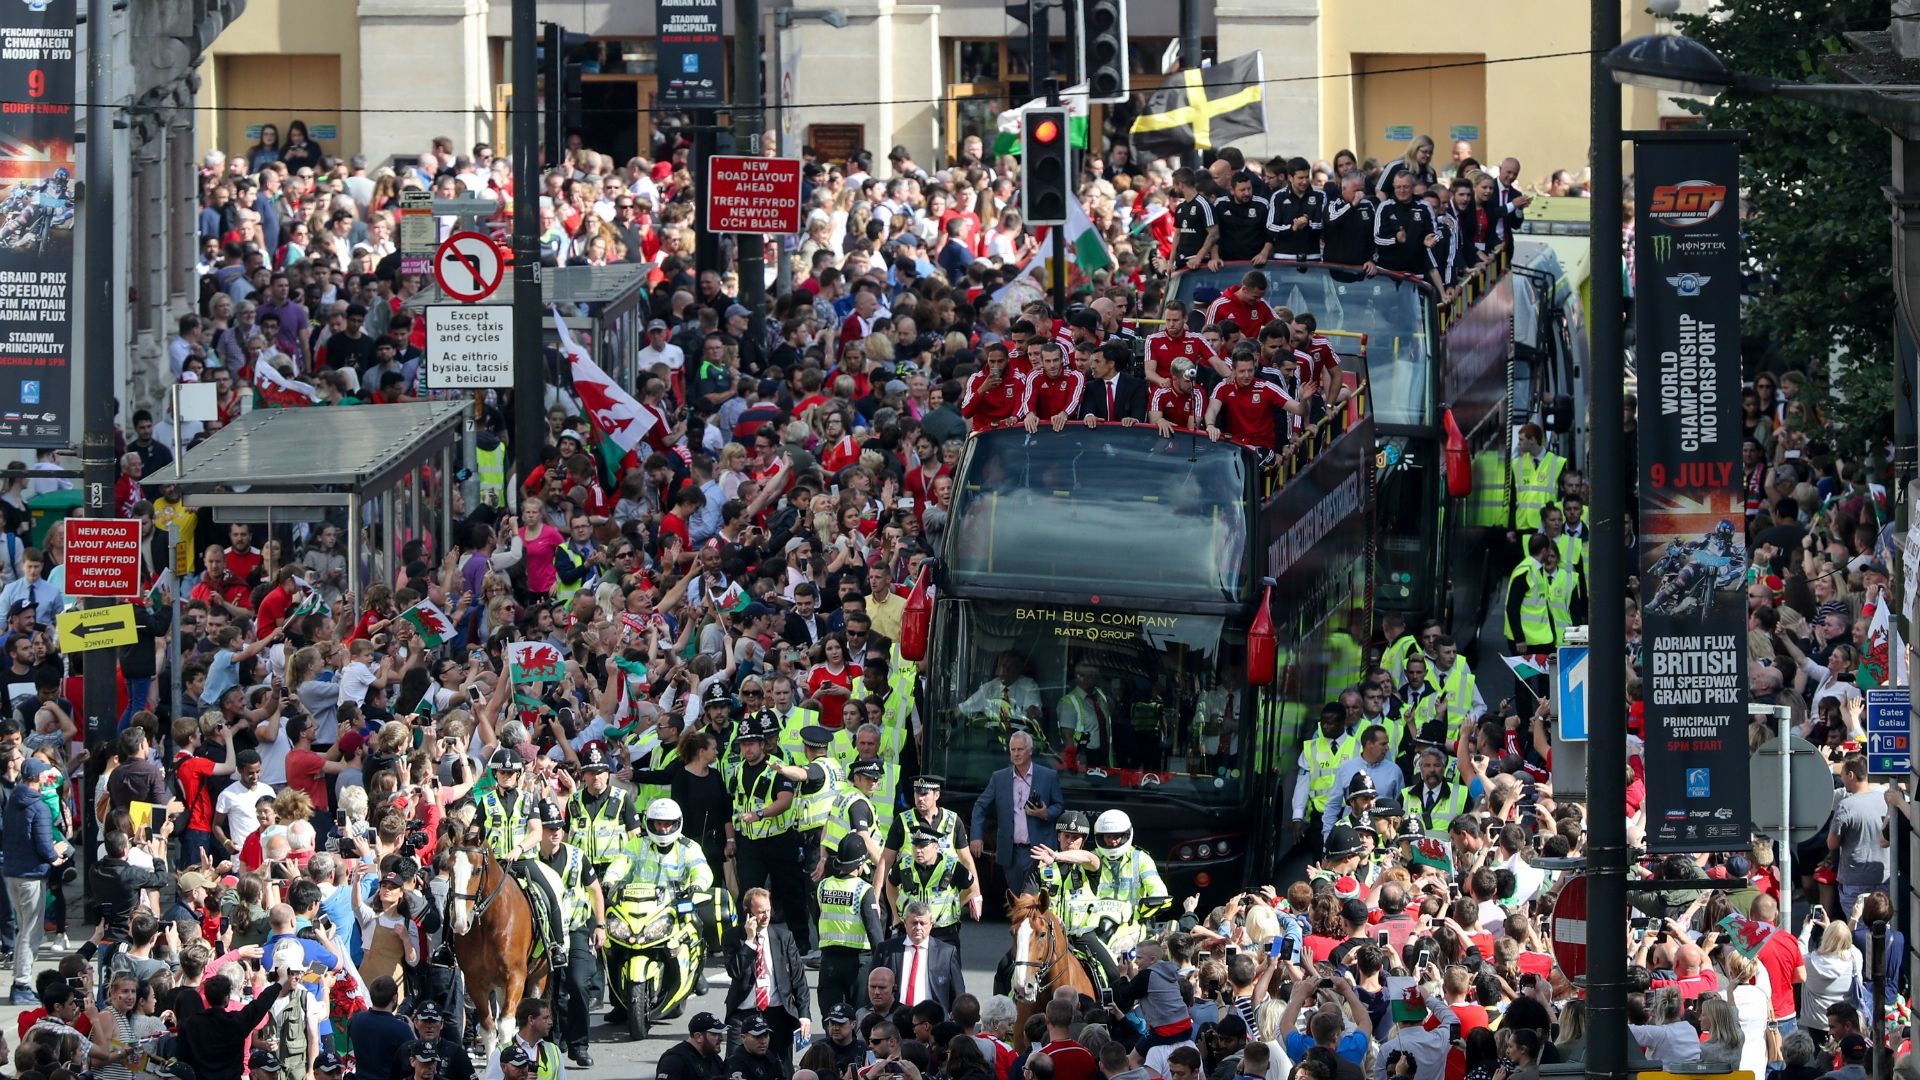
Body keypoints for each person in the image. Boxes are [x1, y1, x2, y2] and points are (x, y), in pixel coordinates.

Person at [532, 797, 605, 1067]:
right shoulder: (530, 859)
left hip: (576, 929)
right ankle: (553, 1043)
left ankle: (579, 1045)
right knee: (551, 990)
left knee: (577, 983)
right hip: (545, 934)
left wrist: (600, 925)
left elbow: (595, 890)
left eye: (559, 827)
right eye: (550, 827)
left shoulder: (576, 855)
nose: (556, 832)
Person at [724, 886, 810, 1069]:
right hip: (744, 1013)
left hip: (776, 1012)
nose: (766, 916)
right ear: (748, 912)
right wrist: (749, 942)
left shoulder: (783, 937)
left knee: (781, 1067)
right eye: (761, 912)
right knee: (733, 1066)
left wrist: (804, 1015)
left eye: (768, 911)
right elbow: (735, 971)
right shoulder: (733, 937)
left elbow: (799, 979)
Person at [3, 758, 66, 1001]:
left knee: (23, 929)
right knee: (31, 932)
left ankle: (20, 982)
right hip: (31, 875)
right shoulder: (39, 807)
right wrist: (55, 855)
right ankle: (21, 984)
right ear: (38, 777)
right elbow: (43, 844)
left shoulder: (13, 801)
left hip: (12, 873)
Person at [969, 730, 1062, 891]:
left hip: (1040, 850)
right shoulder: (999, 778)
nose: (1016, 754)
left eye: (1020, 749)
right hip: (1011, 853)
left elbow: (1059, 805)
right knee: (1017, 898)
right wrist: (976, 836)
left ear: (1030, 751)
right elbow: (980, 806)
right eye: (1013, 750)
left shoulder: (1048, 776)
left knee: (1038, 898)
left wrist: (1046, 813)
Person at [178, 970, 288, 1080]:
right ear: (227, 998)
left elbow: (184, 1057)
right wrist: (280, 983)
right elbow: (261, 1004)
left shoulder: (190, 1025)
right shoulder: (236, 1021)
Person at [869, 900, 965, 1014]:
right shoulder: (886, 950)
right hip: (895, 1017)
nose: (918, 927)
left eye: (922, 923)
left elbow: (959, 993)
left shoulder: (946, 953)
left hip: (932, 1018)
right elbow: (871, 986)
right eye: (914, 923)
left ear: (931, 924)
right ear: (905, 923)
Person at [655, 1013, 729, 1080]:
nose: (721, 1038)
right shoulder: (674, 1060)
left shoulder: (713, 1058)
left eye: (720, 1034)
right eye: (715, 1034)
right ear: (698, 1037)